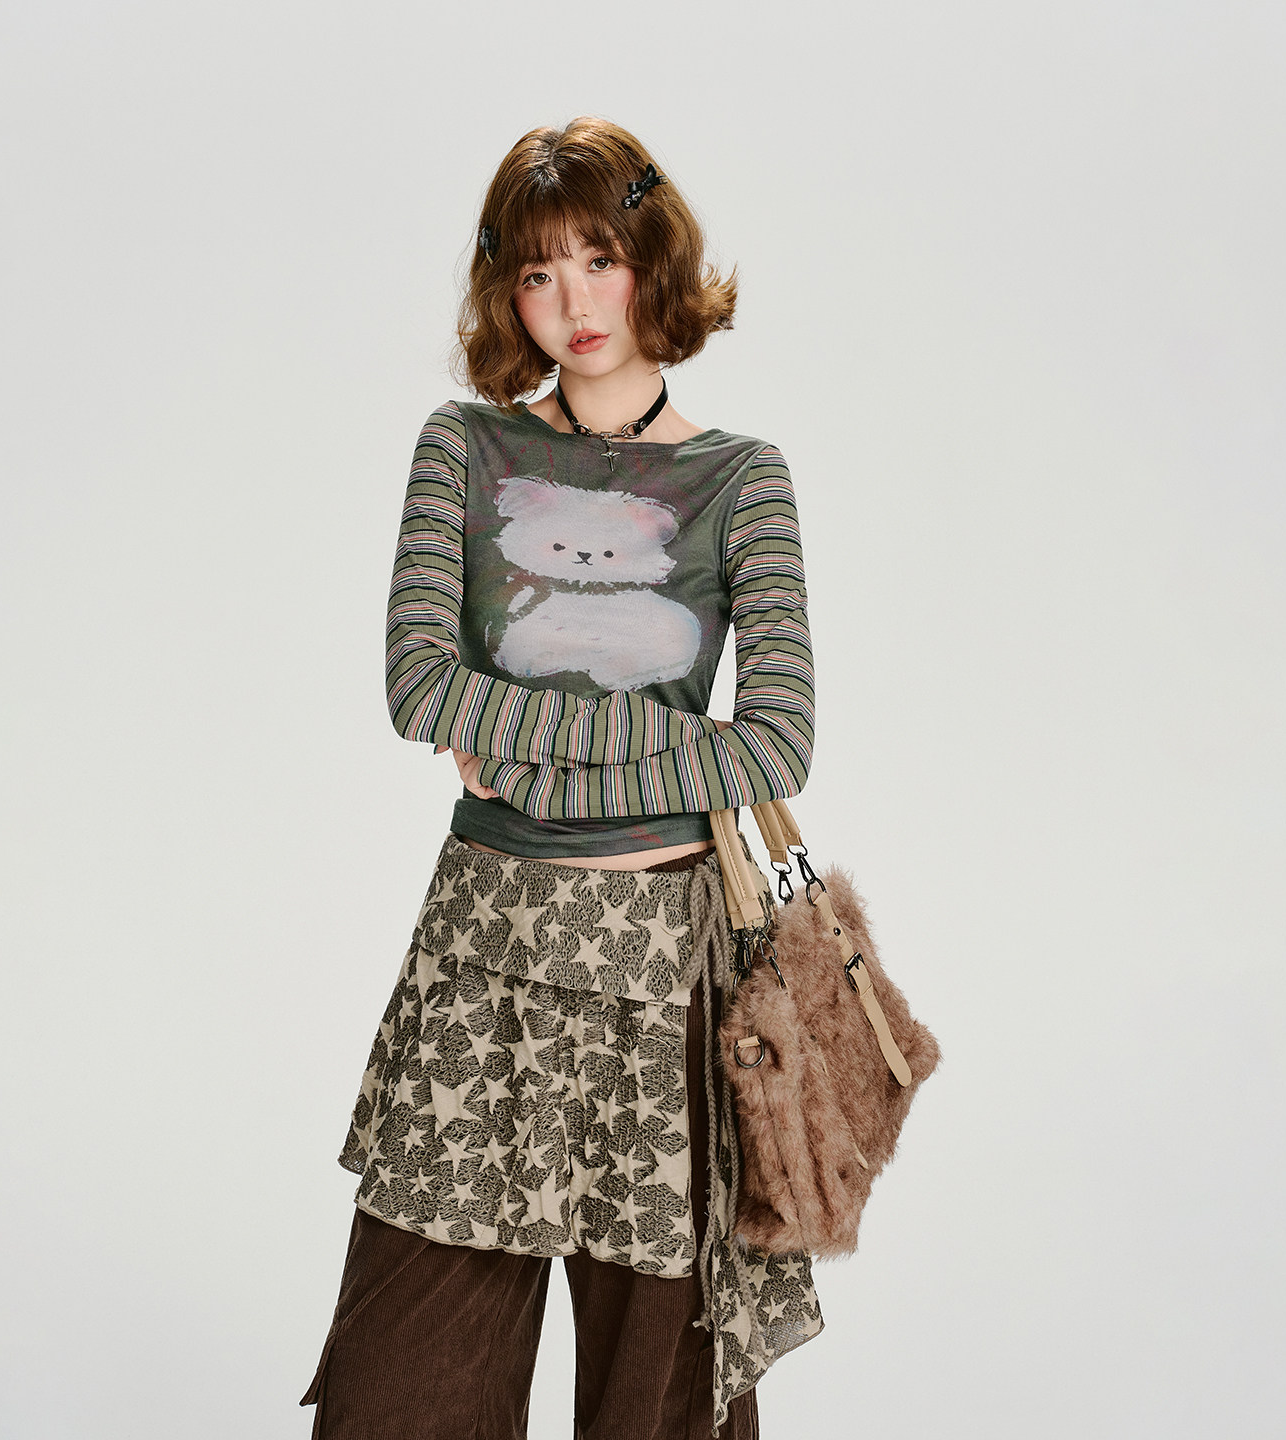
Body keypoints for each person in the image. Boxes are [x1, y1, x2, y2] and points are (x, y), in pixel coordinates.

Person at [300, 116, 823, 1440]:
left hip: (669, 973)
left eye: (600, 258)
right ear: (507, 289)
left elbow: (775, 746)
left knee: (661, 1406)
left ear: (655, 258)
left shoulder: (741, 481)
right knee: (398, 1394)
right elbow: (419, 688)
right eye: (537, 272)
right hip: (486, 957)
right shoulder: (464, 452)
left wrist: (526, 754)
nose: (575, 304)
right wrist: (658, 747)